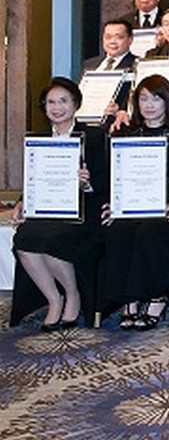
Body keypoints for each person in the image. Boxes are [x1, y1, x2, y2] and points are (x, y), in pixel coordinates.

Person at [101, 74, 169, 331]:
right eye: (143, 99)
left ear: (168, 101)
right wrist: (114, 203)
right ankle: (130, 299)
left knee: (150, 230)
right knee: (119, 229)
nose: (149, 105)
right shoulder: (127, 134)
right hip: (134, 206)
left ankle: (156, 296)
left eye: (156, 98)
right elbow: (116, 175)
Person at [12, 78, 107, 331]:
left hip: (83, 210)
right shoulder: (39, 139)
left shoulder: (94, 136)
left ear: (76, 104)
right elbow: (34, 177)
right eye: (51, 102)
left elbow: (107, 181)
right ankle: (54, 298)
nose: (57, 108)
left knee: (54, 240)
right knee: (24, 240)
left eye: (63, 101)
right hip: (47, 208)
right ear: (44, 107)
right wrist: (22, 202)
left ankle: (72, 294)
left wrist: (88, 182)